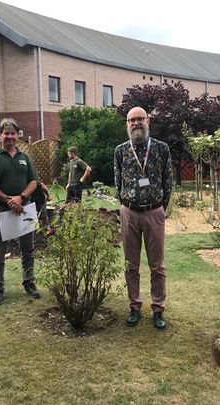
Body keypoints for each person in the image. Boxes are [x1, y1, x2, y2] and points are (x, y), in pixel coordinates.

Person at [114, 106, 172, 330]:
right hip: (129, 212)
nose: (136, 123)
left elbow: (168, 182)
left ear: (148, 122)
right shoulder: (120, 150)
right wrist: (125, 206)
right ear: (127, 124)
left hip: (154, 212)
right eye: (132, 120)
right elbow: (118, 181)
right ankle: (135, 306)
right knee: (131, 265)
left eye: (140, 119)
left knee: (157, 266)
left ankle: (158, 308)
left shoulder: (161, 148)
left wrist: (160, 208)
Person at [0, 118, 41, 305]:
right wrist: (8, 199)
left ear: (17, 135)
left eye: (13, 133)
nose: (9, 137)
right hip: (1, 211)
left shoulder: (25, 158)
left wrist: (20, 198)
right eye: (6, 133)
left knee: (28, 250)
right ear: (0, 136)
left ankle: (29, 284)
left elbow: (33, 182)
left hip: (24, 209)